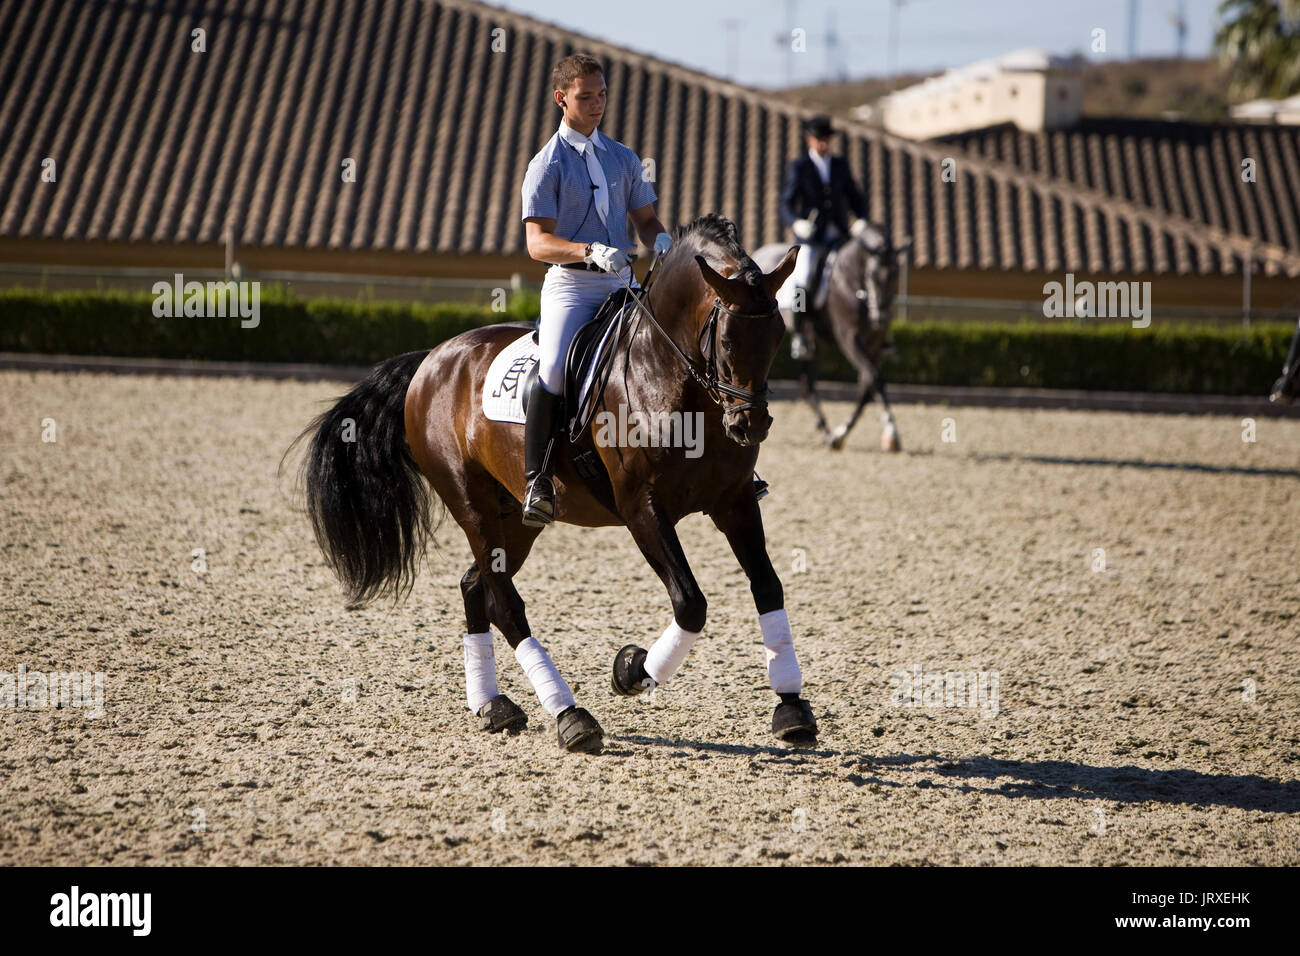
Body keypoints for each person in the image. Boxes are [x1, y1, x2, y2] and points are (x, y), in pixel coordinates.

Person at [520, 53, 671, 527]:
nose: (597, 104)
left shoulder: (623, 158)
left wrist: (663, 240)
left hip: (622, 281)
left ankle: (721, 467)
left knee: (677, 352)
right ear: (561, 99)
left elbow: (646, 221)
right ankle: (537, 480)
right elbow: (536, 242)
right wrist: (588, 250)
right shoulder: (546, 165)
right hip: (572, 287)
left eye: (602, 94)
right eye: (586, 97)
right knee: (553, 373)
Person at [777, 114, 871, 360]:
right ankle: (799, 334)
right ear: (810, 140)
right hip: (812, 237)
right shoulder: (800, 167)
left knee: (865, 271)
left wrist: (861, 218)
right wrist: (797, 224)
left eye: (827, 139)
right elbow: (785, 204)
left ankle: (873, 332)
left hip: (839, 234)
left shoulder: (840, 165)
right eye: (820, 139)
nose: (824, 144)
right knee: (803, 275)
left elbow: (855, 196)